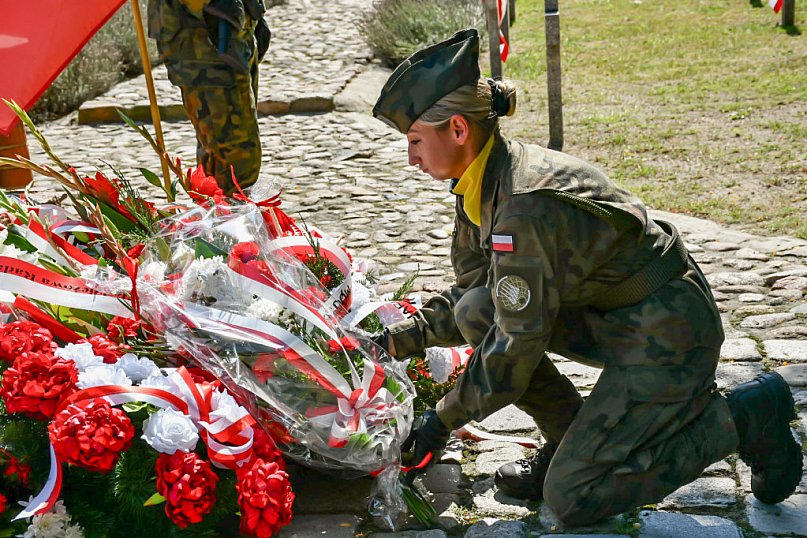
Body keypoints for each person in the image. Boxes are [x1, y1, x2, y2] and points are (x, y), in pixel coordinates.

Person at [371, 28, 803, 526]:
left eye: (415, 142)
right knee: (477, 312)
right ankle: (568, 440)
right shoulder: (480, 182)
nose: (411, 158)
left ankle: (741, 418)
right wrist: (394, 341)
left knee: (572, 497)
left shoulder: (522, 206)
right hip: (614, 316)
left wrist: (440, 422)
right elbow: (478, 296)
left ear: (458, 130)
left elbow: (516, 342)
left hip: (667, 335)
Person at [148, 0, 271, 193]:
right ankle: (228, 218)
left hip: (235, 27)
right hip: (202, 38)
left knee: (235, 150)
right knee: (235, 156)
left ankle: (223, 216)